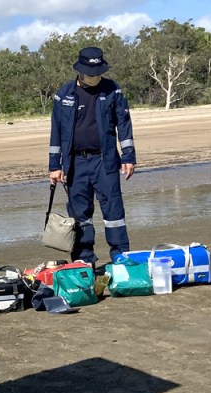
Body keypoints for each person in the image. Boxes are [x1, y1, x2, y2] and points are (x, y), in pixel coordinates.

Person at [49, 46, 136, 265]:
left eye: (97, 73)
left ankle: (120, 257)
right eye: (90, 73)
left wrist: (128, 156)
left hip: (105, 161)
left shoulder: (113, 90)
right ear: (80, 70)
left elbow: (124, 124)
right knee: (80, 215)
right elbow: (56, 132)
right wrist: (54, 166)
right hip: (75, 164)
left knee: (113, 210)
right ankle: (84, 261)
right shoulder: (63, 95)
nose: (94, 77)